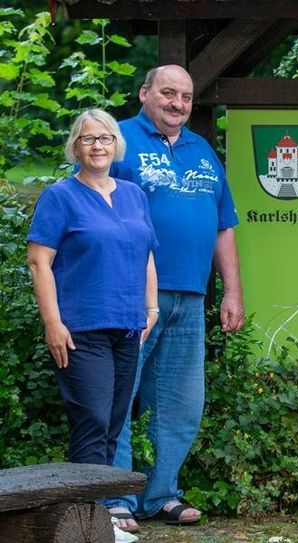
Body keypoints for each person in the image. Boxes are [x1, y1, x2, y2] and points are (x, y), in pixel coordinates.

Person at [104, 65, 245, 531]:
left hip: (189, 296)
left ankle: (160, 495)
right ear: (145, 93)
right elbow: (87, 205)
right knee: (119, 399)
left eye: (185, 96)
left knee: (181, 403)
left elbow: (223, 226)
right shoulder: (116, 140)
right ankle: (116, 497)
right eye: (168, 93)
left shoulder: (202, 150)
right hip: (129, 296)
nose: (177, 103)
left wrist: (232, 292)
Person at [27, 108, 159, 543]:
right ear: (75, 147)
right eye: (88, 139)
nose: (97, 146)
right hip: (80, 328)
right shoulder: (60, 196)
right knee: (92, 421)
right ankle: (88, 523)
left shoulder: (133, 195)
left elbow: (147, 255)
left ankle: (90, 520)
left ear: (115, 144)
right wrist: (52, 322)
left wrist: (151, 311)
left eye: (104, 138)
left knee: (115, 423)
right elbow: (38, 261)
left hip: (127, 327)